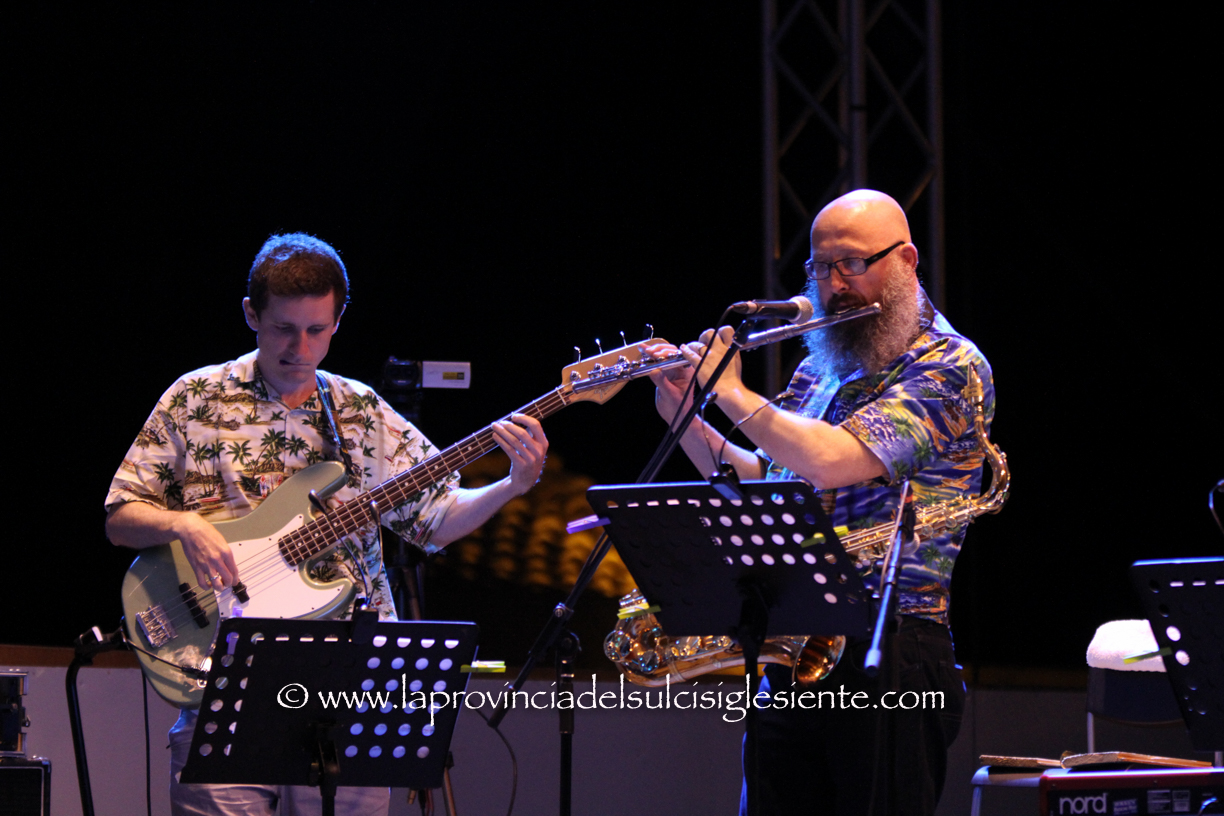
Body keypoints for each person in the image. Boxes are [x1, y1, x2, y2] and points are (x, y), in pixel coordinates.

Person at [105, 232, 548, 815]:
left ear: (338, 321)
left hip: (350, 685)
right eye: (283, 328)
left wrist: (512, 485)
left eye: (317, 329)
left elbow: (437, 521)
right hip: (226, 675)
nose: (300, 347)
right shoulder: (196, 397)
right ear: (251, 315)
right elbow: (121, 516)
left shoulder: (360, 410)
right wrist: (183, 526)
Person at [646, 190, 993, 815]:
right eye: (821, 267)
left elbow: (833, 460)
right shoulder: (821, 370)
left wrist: (732, 392)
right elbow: (772, 481)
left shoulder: (949, 365)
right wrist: (686, 417)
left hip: (892, 646)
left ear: (906, 260)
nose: (834, 285)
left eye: (852, 264)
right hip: (797, 644)